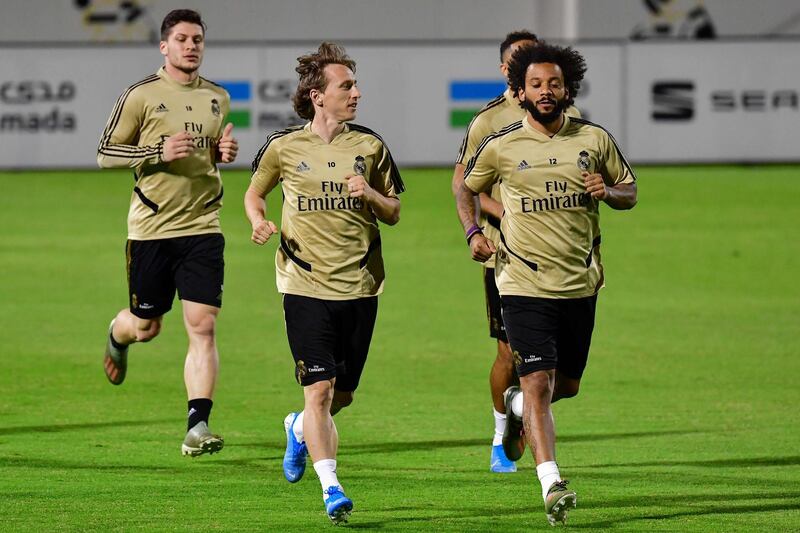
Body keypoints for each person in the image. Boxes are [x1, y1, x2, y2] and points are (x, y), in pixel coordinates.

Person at [454, 42, 637, 525]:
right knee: (536, 377)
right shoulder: (502, 143)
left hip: (579, 282)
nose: (546, 91)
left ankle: (514, 406)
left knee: (567, 385)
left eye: (554, 83)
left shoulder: (594, 139)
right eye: (536, 84)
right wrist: (473, 232)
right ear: (520, 90)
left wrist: (609, 191)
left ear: (567, 87)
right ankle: (551, 480)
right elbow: (465, 187)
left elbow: (630, 191)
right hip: (520, 280)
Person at [245, 42, 403, 525]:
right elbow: (254, 194)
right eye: (346, 86)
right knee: (320, 390)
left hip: (359, 284)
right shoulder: (283, 147)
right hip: (303, 283)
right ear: (317, 95)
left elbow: (394, 212)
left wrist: (370, 193)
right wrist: (258, 220)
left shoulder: (370, 146)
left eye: (354, 85)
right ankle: (331, 487)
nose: (356, 92)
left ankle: (297, 430)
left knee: (343, 395)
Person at [97, 9, 238, 457]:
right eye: (181, 39)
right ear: (164, 46)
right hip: (152, 229)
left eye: (197, 38)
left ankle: (197, 425)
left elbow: (208, 154)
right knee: (147, 327)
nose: (191, 45)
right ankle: (118, 334)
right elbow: (105, 152)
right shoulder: (140, 95)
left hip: (202, 225)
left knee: (203, 326)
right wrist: (156, 150)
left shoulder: (218, 97)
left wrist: (222, 151)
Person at [451, 31, 581, 474]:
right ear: (507, 70)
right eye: (517, 61)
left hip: (566, 264)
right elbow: (465, 184)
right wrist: (486, 220)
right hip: (508, 258)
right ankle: (500, 430)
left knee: (565, 377)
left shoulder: (568, 115)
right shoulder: (488, 121)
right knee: (512, 355)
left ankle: (523, 407)